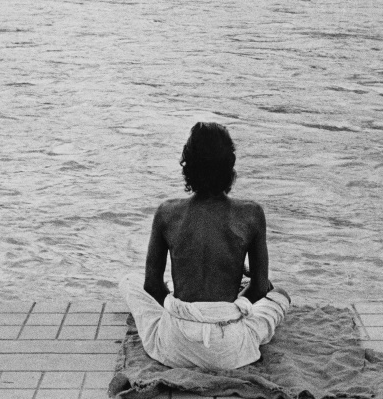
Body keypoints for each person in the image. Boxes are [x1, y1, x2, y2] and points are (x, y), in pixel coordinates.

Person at [120, 122, 291, 370]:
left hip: (176, 344)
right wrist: (235, 307)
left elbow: (151, 285)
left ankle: (181, 314)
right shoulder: (251, 214)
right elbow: (260, 287)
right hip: (230, 348)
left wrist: (178, 308)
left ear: (187, 167)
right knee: (279, 296)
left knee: (130, 282)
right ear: (229, 169)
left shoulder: (167, 213)